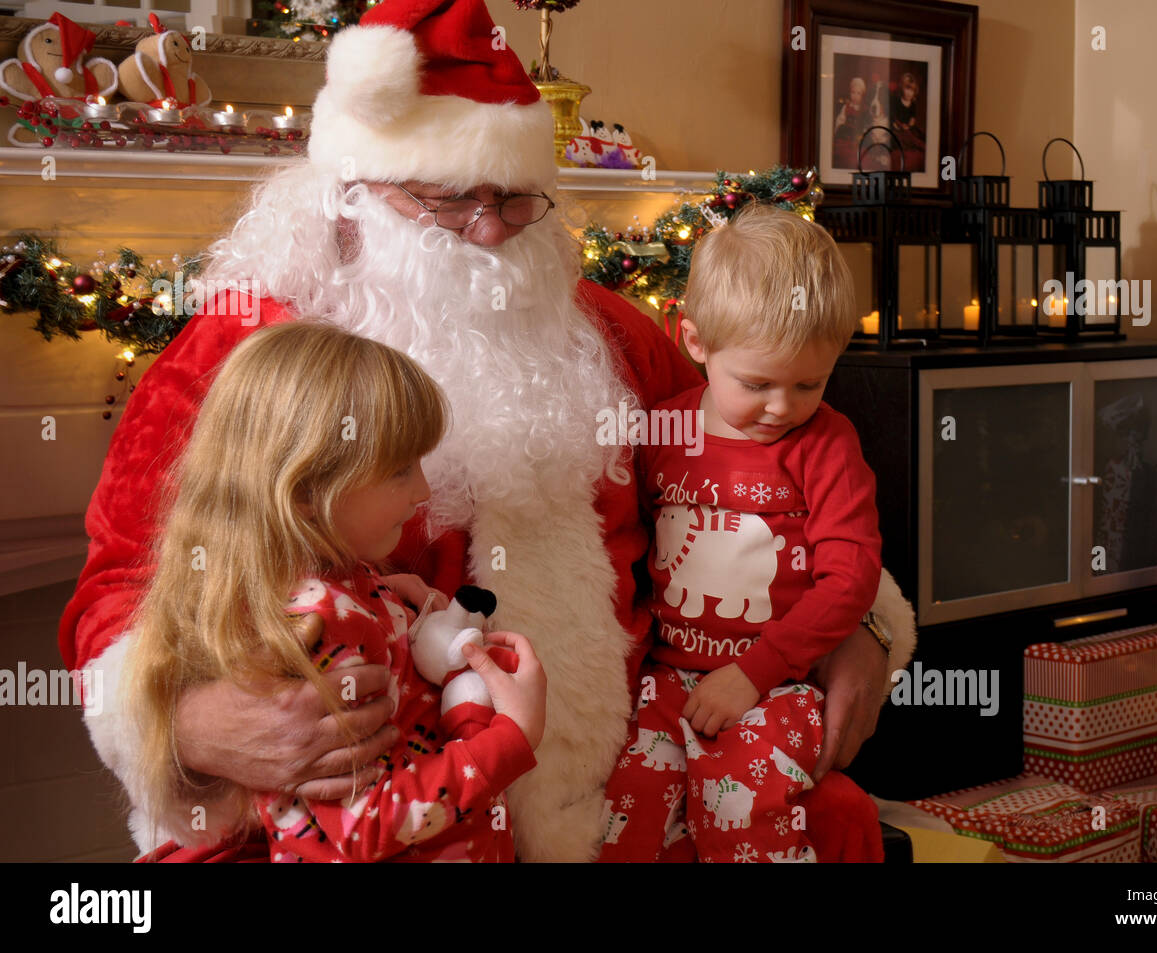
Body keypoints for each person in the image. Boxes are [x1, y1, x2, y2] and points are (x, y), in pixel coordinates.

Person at [58, 0, 914, 862]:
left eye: (514, 199)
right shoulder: (248, 347)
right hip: (386, 806)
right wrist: (190, 723)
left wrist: (861, 629)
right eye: (449, 199)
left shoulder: (612, 336)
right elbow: (122, 588)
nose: (492, 229)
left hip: (628, 768)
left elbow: (759, 468)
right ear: (352, 194)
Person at [125, 322, 547, 862]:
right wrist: (512, 737)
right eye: (399, 471)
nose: (422, 491)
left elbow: (407, 734)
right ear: (304, 490)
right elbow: (365, 828)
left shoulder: (353, 583)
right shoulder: (319, 621)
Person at [600, 205, 882, 862]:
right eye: (757, 384)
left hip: (779, 684)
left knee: (740, 809)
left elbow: (851, 577)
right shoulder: (663, 431)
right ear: (695, 342)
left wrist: (754, 673)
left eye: (809, 383)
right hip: (669, 679)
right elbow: (626, 534)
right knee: (627, 808)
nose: (782, 407)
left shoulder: (825, 442)